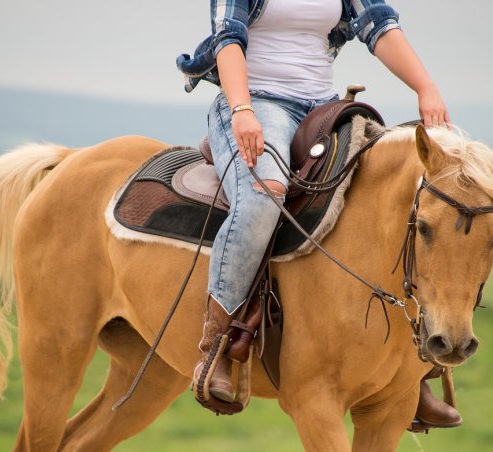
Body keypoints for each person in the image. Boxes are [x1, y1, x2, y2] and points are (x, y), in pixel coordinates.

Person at [177, 0, 460, 428]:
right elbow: (227, 37)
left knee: (394, 192)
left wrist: (426, 87)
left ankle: (411, 367)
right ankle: (216, 347)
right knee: (263, 195)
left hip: (325, 107)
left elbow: (378, 26)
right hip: (255, 105)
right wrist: (241, 110)